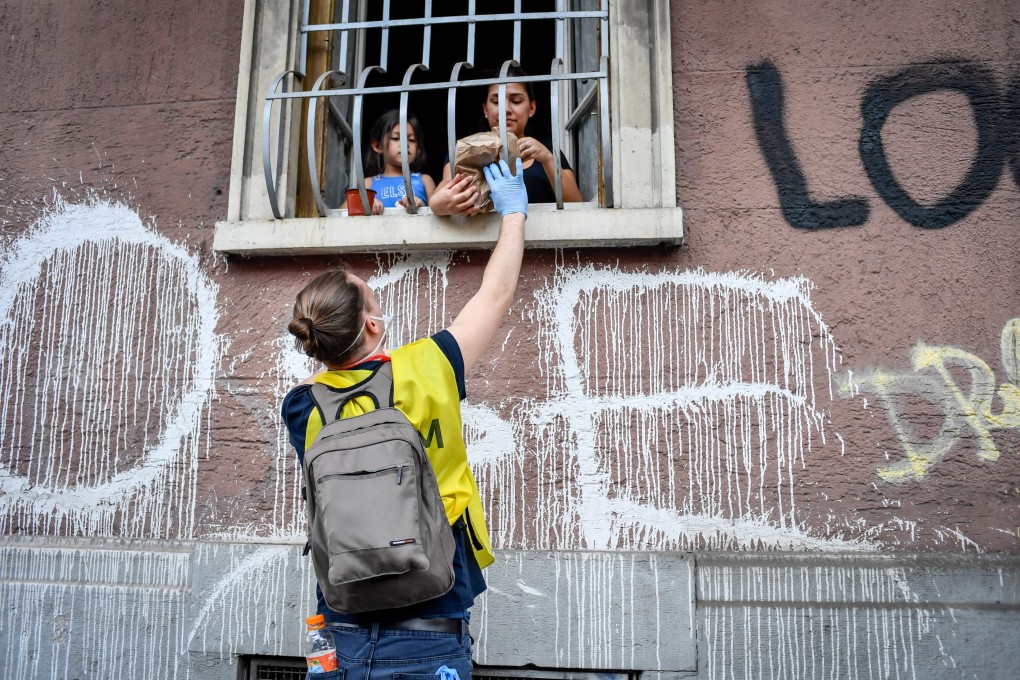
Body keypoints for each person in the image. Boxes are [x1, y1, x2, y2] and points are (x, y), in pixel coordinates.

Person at [284, 158, 528, 680]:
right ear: (373, 323)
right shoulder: (429, 365)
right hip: (431, 624)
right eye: (373, 294)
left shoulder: (301, 406)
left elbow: (325, 379)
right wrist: (513, 214)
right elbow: (496, 293)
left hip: (339, 633)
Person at [430, 67, 583, 216]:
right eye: (496, 102)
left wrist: (548, 158)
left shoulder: (548, 148)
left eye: (516, 101)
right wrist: (437, 206)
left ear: (531, 108)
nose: (505, 109)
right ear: (485, 109)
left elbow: (576, 205)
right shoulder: (464, 148)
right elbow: (442, 194)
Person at [345, 109, 437, 214]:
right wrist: (364, 203)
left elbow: (439, 214)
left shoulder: (425, 180)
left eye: (411, 140)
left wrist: (422, 207)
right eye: (396, 138)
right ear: (377, 146)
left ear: (418, 149)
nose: (405, 144)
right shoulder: (368, 183)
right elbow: (340, 212)